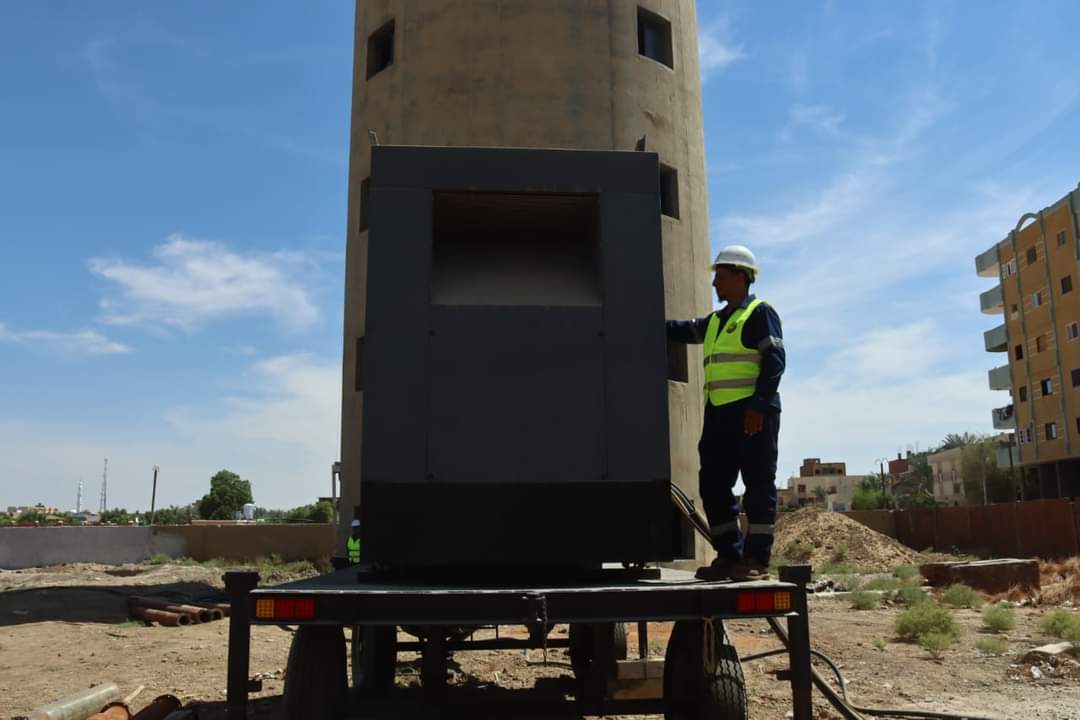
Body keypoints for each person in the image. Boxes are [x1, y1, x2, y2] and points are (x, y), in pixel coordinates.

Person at [667, 245, 785, 581]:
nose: (714, 283)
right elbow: (683, 330)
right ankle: (729, 556)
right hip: (719, 415)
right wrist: (643, 321)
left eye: (720, 276)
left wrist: (758, 406)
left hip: (752, 414)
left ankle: (756, 560)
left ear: (739, 276)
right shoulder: (716, 322)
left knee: (758, 485)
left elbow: (775, 362)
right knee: (713, 485)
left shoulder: (760, 313)